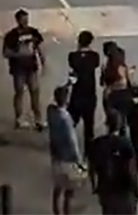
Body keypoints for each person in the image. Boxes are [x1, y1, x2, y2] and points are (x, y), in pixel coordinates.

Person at [2, 9, 46, 130]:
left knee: (35, 93)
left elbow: (39, 48)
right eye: (23, 19)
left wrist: (43, 62)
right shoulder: (11, 35)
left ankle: (38, 119)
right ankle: (19, 118)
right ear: (17, 20)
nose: (25, 21)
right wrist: (20, 53)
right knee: (19, 93)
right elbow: (5, 53)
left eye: (26, 19)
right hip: (18, 69)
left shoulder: (33, 32)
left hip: (32, 67)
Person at [90, 110, 138, 215]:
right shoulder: (126, 144)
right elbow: (132, 170)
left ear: (106, 123)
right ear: (119, 125)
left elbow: (92, 167)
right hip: (123, 190)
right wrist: (135, 191)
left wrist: (94, 185)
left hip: (105, 189)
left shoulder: (97, 143)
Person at [47, 85, 85, 215]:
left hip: (56, 155)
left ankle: (56, 211)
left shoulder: (51, 112)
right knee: (70, 190)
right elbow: (72, 140)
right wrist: (79, 159)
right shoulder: (66, 119)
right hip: (68, 157)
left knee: (58, 186)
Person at [67, 30, 100, 158]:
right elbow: (95, 64)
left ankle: (68, 146)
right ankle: (89, 152)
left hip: (77, 94)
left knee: (70, 122)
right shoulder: (94, 56)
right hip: (90, 95)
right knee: (89, 126)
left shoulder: (73, 56)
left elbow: (74, 65)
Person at [101, 43, 134, 131]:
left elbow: (102, 82)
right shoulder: (122, 66)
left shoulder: (106, 67)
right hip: (124, 95)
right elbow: (129, 82)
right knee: (123, 124)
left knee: (112, 123)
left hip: (111, 96)